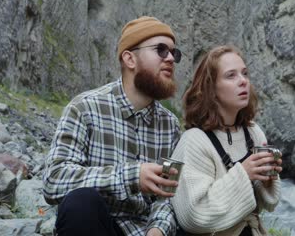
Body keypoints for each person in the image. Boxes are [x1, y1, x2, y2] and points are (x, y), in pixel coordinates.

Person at [43, 16, 183, 236]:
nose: (170, 59)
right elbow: (54, 180)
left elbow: (168, 195)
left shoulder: (171, 126)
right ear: (129, 59)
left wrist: (158, 229)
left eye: (174, 53)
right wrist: (132, 176)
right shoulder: (84, 108)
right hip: (99, 228)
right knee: (80, 203)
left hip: (146, 231)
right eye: (161, 50)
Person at [171, 45, 282, 236]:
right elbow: (193, 215)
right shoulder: (194, 141)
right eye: (231, 75)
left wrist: (267, 177)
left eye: (245, 74)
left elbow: (267, 205)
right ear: (211, 89)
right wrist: (244, 173)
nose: (243, 81)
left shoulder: (254, 132)